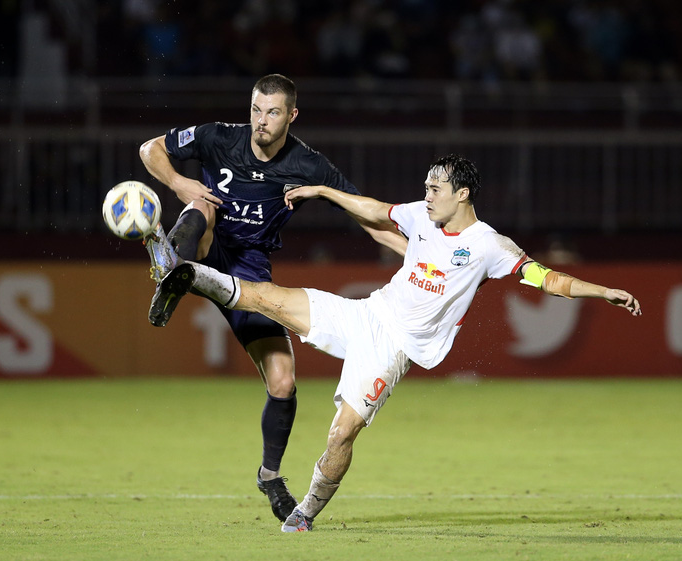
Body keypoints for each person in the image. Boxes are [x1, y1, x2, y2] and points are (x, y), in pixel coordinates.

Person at [147, 154, 642, 532]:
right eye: (425, 187)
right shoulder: (423, 216)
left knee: (341, 435)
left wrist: (604, 292)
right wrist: (324, 190)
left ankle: (305, 513)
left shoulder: (490, 245)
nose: (426, 195)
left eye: (436, 188)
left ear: (463, 193)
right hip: (365, 314)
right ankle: (186, 273)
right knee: (269, 298)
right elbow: (376, 210)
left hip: (393, 349)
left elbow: (548, 280)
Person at [138, 73, 407, 523]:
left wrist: (418, 257)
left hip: (250, 270)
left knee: (283, 383)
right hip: (207, 240)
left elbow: (365, 215)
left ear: (292, 115)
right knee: (202, 205)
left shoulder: (308, 164)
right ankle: (174, 273)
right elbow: (151, 149)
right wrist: (178, 183)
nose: (261, 121)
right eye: (256, 109)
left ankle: (269, 475)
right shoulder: (218, 138)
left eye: (273, 112)